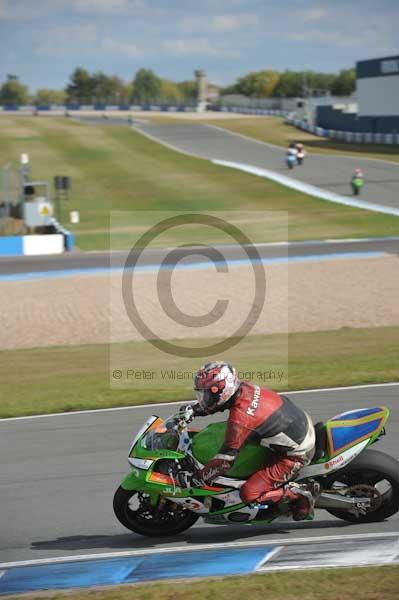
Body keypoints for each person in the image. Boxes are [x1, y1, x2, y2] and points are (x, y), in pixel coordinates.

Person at [180, 361, 317, 521]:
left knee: (249, 493)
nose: (204, 398)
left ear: (223, 389)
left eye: (208, 393)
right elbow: (218, 402)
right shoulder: (243, 389)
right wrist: (194, 410)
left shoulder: (241, 418)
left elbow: (224, 463)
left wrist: (198, 478)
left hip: (296, 453)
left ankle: (299, 494)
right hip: (295, 425)